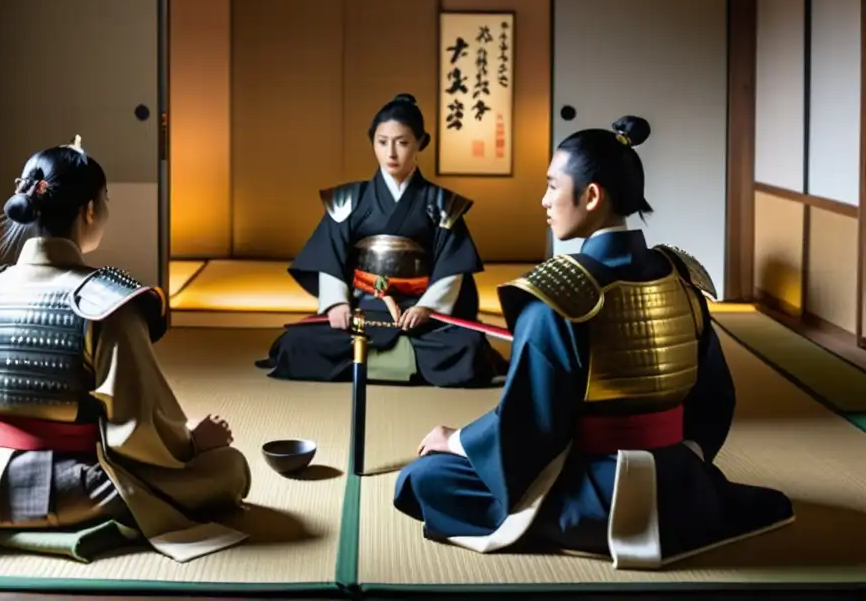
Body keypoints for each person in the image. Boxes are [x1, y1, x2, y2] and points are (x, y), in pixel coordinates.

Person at [392, 116, 794, 569]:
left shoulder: (559, 297)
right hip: (684, 483)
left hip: (603, 490)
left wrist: (458, 439)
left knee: (423, 479)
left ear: (591, 196)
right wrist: (683, 462)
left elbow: (529, 425)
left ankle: (609, 524)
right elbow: (716, 395)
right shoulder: (681, 279)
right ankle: (678, 508)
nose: (543, 201)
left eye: (551, 186)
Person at [0, 136, 252, 564]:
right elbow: (136, 430)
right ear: (90, 210)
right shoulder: (105, 303)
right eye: (104, 200)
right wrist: (193, 441)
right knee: (229, 469)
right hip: (73, 490)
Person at [257, 94, 507, 387]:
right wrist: (337, 304)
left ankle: (364, 359)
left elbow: (452, 267)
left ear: (420, 143)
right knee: (297, 342)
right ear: (372, 142)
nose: (391, 152)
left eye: (401, 142)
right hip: (362, 310)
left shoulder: (440, 204)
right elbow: (330, 256)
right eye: (382, 141)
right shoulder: (349, 200)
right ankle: (405, 361)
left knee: (467, 348)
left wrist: (427, 308)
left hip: (417, 314)